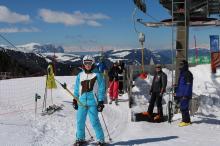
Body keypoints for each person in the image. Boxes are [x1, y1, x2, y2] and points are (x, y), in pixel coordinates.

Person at [73, 55, 105, 146]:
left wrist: (101, 101)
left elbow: (102, 89)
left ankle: (101, 140)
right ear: (83, 63)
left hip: (93, 102)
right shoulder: (80, 75)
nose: (87, 65)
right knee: (80, 121)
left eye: (89, 63)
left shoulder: (98, 75)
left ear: (93, 63)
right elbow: (76, 89)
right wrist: (75, 100)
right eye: (86, 63)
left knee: (94, 121)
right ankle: (80, 138)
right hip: (81, 102)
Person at [175, 60, 193, 127]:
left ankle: (186, 121)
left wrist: (186, 95)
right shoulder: (182, 73)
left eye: (182, 64)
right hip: (181, 93)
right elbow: (182, 84)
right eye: (180, 64)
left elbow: (188, 85)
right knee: (183, 107)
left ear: (185, 65)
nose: (180, 66)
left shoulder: (188, 74)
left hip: (185, 94)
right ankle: (186, 120)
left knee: (184, 107)